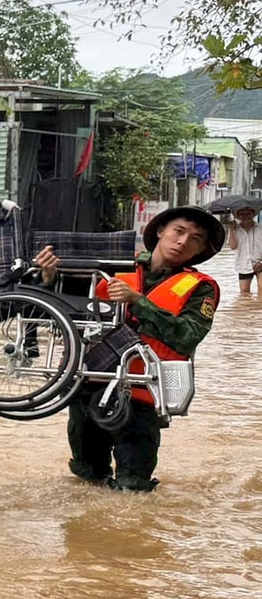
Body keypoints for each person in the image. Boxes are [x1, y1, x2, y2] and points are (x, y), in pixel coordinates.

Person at [35, 204, 222, 492]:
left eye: (195, 238)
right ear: (161, 231)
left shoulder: (201, 287)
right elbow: (62, 307)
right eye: (178, 231)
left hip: (144, 393)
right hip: (92, 384)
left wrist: (138, 302)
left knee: (133, 490)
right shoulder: (112, 265)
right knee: (87, 479)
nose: (183, 241)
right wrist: (48, 276)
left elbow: (187, 335)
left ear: (200, 250)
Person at [231, 205, 260, 297]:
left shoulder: (260, 228)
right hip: (243, 264)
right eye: (242, 213)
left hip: (260, 262)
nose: (245, 216)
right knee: (244, 294)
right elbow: (233, 246)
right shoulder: (235, 229)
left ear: (253, 214)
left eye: (248, 213)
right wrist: (231, 229)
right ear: (238, 215)